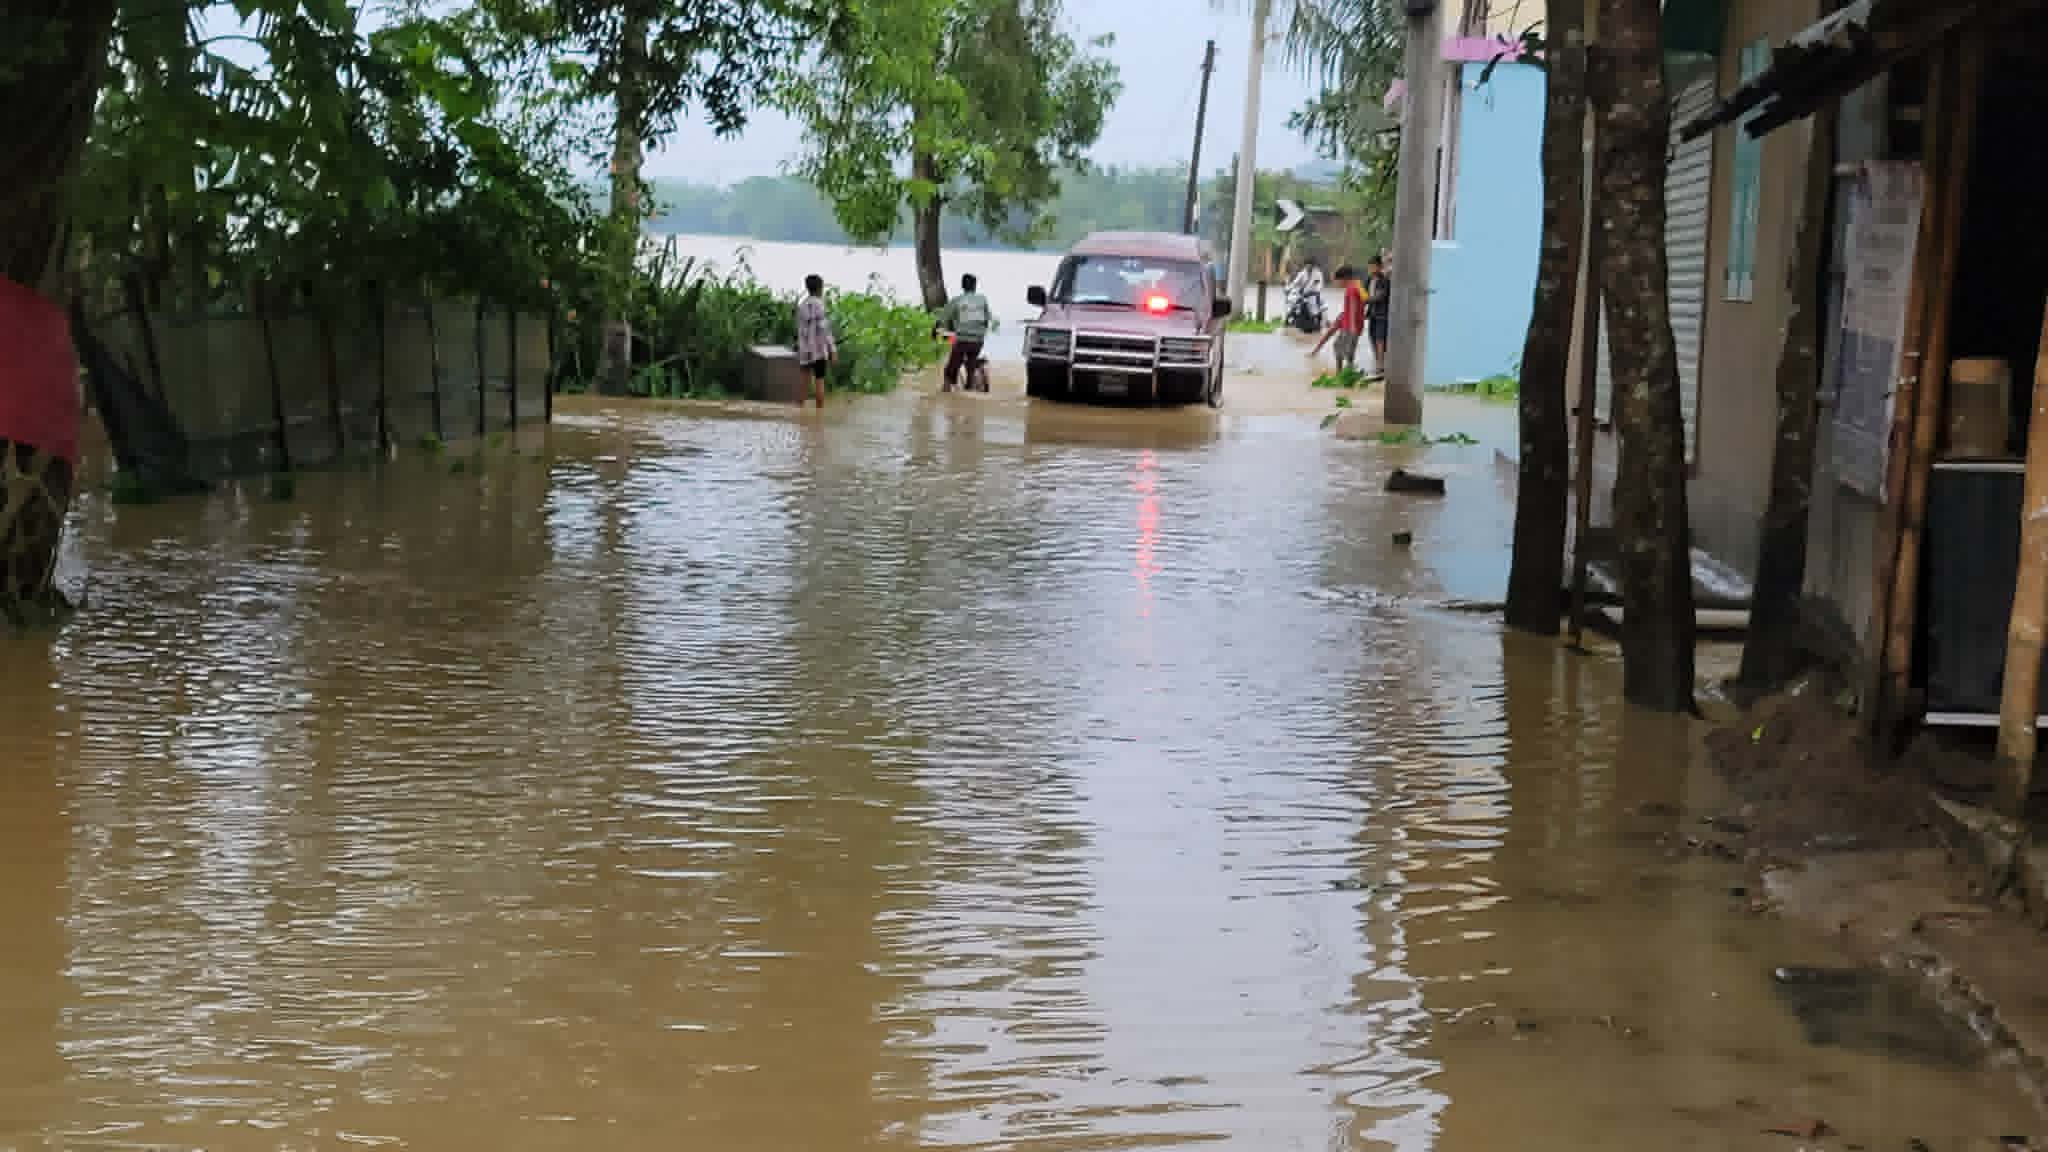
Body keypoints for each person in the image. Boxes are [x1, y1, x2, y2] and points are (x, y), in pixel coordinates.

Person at [935, 273, 991, 392]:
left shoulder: (957, 300)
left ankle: (946, 389)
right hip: (978, 340)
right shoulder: (982, 299)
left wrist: (935, 331)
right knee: (971, 357)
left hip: (961, 340)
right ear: (975, 286)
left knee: (950, 368)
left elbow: (941, 320)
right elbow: (987, 321)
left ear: (962, 285)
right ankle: (971, 381)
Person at [1311, 264, 1367, 371]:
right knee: (1346, 351)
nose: (1337, 284)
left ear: (1344, 279)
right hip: (1354, 324)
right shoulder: (1358, 287)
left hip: (1350, 326)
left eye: (1338, 281)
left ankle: (1340, 372)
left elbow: (1353, 307)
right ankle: (1346, 372)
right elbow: (1360, 307)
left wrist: (1352, 327)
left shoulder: (1351, 289)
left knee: (1340, 349)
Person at [795, 273, 835, 408]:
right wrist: (832, 350)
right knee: (819, 381)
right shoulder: (820, 305)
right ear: (820, 288)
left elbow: (801, 330)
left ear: (807, 288)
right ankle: (819, 414)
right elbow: (824, 329)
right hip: (818, 350)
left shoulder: (802, 306)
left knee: (804, 382)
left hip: (805, 350)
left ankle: (799, 409)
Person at [1364, 255, 1391, 377]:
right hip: (1372, 315)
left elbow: (1380, 296)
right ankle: (1377, 363)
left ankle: (1381, 366)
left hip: (1382, 315)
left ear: (1380, 267)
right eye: (1369, 266)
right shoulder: (1368, 280)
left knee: (1380, 340)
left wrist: (1365, 300)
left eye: (1373, 266)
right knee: (1372, 337)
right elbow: (1363, 295)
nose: (1371, 269)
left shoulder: (1385, 281)